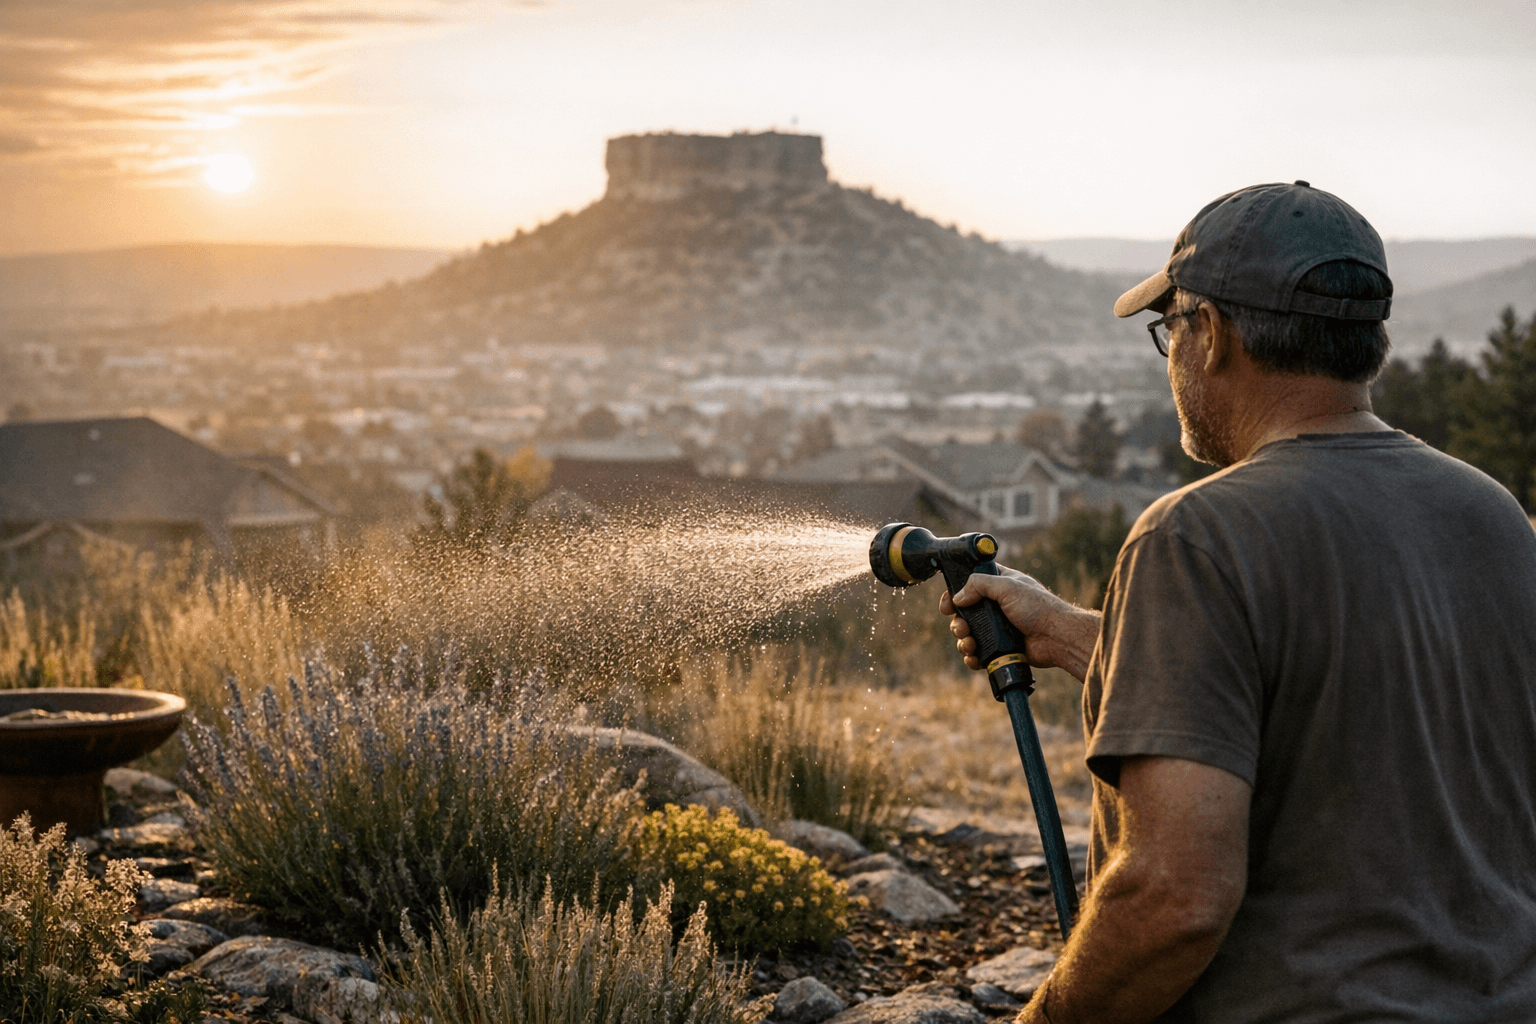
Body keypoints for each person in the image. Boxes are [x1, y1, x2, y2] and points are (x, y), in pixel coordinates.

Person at [944, 182, 1536, 1023]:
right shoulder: (1492, 515)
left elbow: (1174, 898)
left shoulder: (1194, 536)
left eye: (1169, 329)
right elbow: (1341, 692)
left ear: (1212, 333)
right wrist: (1078, 635)